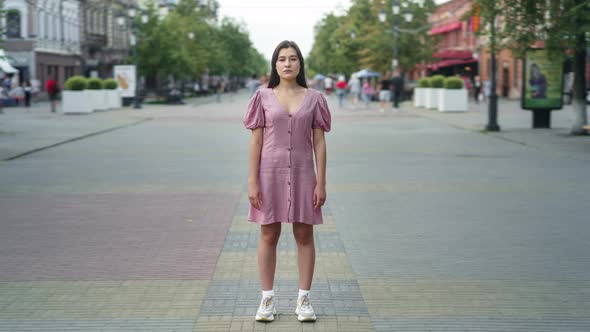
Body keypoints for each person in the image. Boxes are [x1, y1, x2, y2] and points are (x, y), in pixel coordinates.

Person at [243, 40, 331, 323]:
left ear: (300, 63)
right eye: (282, 59)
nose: (288, 63)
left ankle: (304, 299)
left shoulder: (315, 98)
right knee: (269, 235)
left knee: (305, 236)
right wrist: (252, 182)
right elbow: (256, 141)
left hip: (304, 174)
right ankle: (266, 299)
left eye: (293, 58)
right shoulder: (262, 96)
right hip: (269, 174)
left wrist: (322, 182)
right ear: (275, 64)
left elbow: (319, 142)